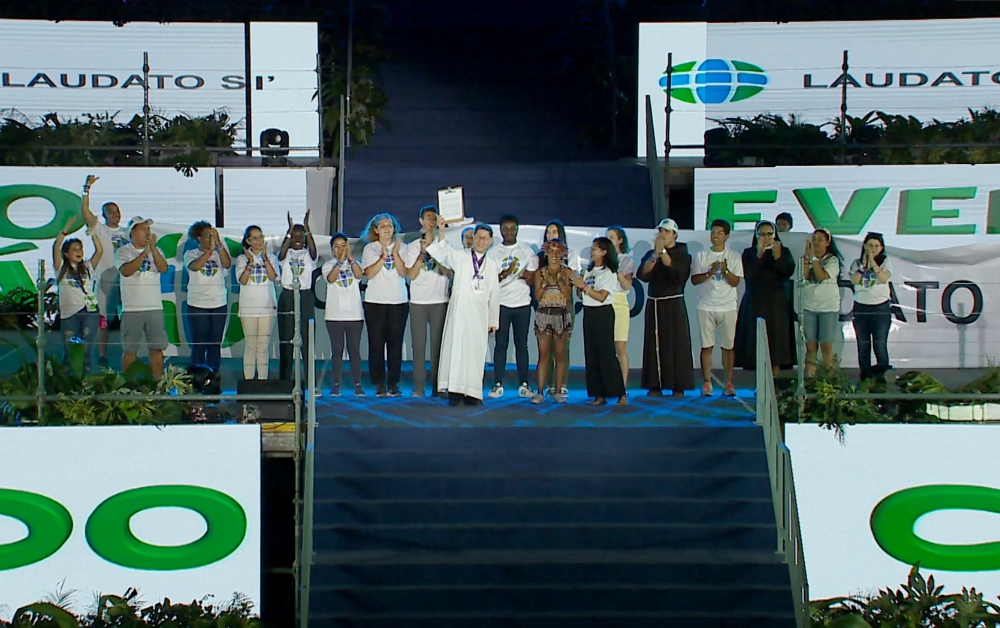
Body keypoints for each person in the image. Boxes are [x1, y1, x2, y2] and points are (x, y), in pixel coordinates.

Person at [427, 222, 500, 406]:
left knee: (475, 352)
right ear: (473, 239)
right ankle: (455, 391)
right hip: (459, 313)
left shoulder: (492, 265)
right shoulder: (460, 256)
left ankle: (473, 392)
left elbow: (494, 294)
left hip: (479, 314)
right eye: (478, 237)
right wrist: (442, 230)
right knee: (456, 350)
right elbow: (443, 253)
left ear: (491, 241)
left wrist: (493, 320)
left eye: (485, 238)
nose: (481, 241)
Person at [636, 218, 694, 397]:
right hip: (655, 303)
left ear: (674, 234)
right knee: (654, 344)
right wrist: (655, 254)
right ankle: (655, 384)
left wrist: (662, 252)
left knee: (677, 344)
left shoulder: (683, 253)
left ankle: (678, 385)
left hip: (674, 303)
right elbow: (643, 274)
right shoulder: (651, 253)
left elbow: (677, 273)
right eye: (661, 231)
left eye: (667, 231)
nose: (663, 234)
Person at [734, 221, 796, 375]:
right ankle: (760, 383)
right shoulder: (748, 253)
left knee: (777, 344)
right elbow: (749, 274)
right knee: (756, 342)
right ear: (756, 235)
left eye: (769, 234)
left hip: (777, 305)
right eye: (762, 234)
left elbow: (788, 271)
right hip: (755, 304)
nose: (766, 237)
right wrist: (759, 254)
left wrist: (777, 257)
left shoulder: (784, 251)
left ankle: (775, 382)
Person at [80, 175, 128, 369]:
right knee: (103, 320)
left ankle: (129, 353)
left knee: (128, 318)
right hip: (105, 282)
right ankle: (102, 355)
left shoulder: (128, 232)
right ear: (105, 215)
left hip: (125, 281)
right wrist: (86, 189)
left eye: (118, 212)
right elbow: (84, 212)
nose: (116, 215)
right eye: (112, 212)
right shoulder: (100, 230)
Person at [691, 219, 743, 397]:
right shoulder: (702, 256)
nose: (715, 236)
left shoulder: (734, 256)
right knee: (707, 346)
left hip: (727, 306)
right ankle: (707, 383)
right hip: (706, 305)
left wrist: (726, 271)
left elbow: (736, 282)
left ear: (727, 236)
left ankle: (728, 382)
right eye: (713, 232)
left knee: (728, 346)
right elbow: (694, 280)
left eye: (720, 233)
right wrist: (710, 272)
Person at [488, 214, 538, 399]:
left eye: (512, 228)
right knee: (500, 345)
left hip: (522, 303)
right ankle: (497, 384)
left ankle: (524, 384)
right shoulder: (493, 253)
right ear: (500, 230)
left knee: (521, 345)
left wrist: (526, 275)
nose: (509, 231)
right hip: (501, 304)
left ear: (517, 229)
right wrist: (507, 273)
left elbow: (532, 277)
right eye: (505, 228)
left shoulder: (526, 251)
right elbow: (491, 279)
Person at [572, 237, 627, 406]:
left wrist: (584, 287)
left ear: (604, 252)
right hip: (589, 313)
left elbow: (602, 296)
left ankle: (620, 393)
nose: (591, 251)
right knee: (592, 354)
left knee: (606, 354)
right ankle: (599, 394)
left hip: (603, 313)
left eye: (595, 249)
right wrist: (579, 287)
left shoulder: (608, 272)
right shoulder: (589, 271)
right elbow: (583, 294)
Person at [404, 206, 451, 398]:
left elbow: (447, 271)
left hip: (440, 300)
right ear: (421, 221)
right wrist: (423, 253)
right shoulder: (412, 246)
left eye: (434, 219)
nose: (431, 222)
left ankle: (438, 386)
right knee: (419, 346)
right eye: (428, 218)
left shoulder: (444, 244)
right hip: (418, 301)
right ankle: (419, 387)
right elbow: (412, 274)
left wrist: (435, 248)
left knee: (438, 346)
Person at [361, 213, 409, 397]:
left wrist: (395, 253)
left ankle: (393, 383)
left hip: (398, 301)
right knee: (376, 343)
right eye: (383, 226)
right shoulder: (369, 249)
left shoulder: (402, 247)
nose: (387, 229)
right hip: (375, 302)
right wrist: (383, 256)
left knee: (395, 344)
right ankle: (379, 382)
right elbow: (369, 273)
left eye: (390, 225)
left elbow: (403, 272)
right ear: (376, 230)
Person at [115, 217, 168, 378]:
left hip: (154, 307)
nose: (148, 233)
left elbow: (163, 268)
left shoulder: (156, 251)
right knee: (130, 349)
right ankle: (129, 385)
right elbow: (126, 271)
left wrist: (153, 249)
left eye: (149, 230)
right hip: (133, 308)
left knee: (157, 347)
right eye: (144, 229)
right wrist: (144, 254)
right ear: (133, 232)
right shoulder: (123, 251)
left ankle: (157, 383)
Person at [53, 224, 104, 374]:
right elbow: (56, 248)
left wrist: (93, 233)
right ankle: (67, 384)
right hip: (69, 314)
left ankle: (86, 382)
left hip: (89, 312)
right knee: (69, 350)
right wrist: (65, 229)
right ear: (67, 253)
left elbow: (100, 251)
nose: (79, 252)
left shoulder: (87, 267)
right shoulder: (61, 267)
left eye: (80, 248)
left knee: (87, 348)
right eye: (75, 249)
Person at [277, 210, 318, 384]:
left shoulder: (308, 255)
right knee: (286, 339)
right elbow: (280, 254)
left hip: (305, 296)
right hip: (287, 296)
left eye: (300, 236)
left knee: (307, 339)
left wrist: (306, 227)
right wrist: (290, 230)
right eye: (294, 236)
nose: (297, 239)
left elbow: (314, 251)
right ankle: (285, 381)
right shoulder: (285, 256)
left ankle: (310, 381)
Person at [184, 221, 231, 373]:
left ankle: (214, 377)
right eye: (207, 236)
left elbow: (227, 264)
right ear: (198, 238)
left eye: (212, 235)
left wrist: (218, 244)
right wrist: (209, 251)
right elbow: (195, 266)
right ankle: (197, 379)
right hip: (198, 304)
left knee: (215, 343)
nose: (210, 238)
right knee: (199, 343)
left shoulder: (218, 253)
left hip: (218, 303)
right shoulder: (190, 253)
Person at [531, 238, 573, 404]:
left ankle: (558, 391)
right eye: (551, 251)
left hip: (561, 314)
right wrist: (544, 284)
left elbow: (568, 296)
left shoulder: (568, 272)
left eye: (558, 252)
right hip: (544, 313)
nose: (554, 255)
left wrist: (560, 281)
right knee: (543, 355)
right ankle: (540, 392)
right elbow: (537, 296)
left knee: (560, 355)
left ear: (563, 253)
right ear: (546, 253)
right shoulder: (539, 273)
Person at [323, 233, 365, 396]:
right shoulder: (328, 265)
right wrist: (340, 262)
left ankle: (357, 384)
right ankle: (336, 384)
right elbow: (331, 279)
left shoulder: (356, 263)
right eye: (337, 246)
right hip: (334, 315)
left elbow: (359, 275)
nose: (340, 249)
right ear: (332, 250)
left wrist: (350, 259)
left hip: (355, 314)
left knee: (354, 350)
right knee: (337, 351)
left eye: (343, 245)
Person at [235, 225, 278, 380]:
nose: (259, 240)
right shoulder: (242, 259)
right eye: (254, 237)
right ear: (248, 241)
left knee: (262, 348)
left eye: (261, 236)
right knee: (251, 346)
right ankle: (248, 382)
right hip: (248, 308)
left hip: (267, 308)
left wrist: (265, 258)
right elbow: (243, 280)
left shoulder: (271, 257)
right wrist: (250, 262)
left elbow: (273, 277)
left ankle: (262, 381)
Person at [801, 228, 843, 377]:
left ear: (827, 242)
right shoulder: (806, 258)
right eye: (814, 239)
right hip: (809, 307)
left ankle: (829, 381)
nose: (816, 242)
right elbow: (804, 277)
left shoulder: (832, 260)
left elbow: (821, 276)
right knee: (810, 346)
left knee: (826, 346)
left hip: (828, 308)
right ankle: (809, 379)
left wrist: (813, 259)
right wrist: (807, 259)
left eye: (820, 239)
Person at [850, 232, 893, 380]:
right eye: (870, 245)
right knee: (863, 346)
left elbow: (883, 278)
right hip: (861, 308)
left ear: (881, 248)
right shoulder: (856, 263)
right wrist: (864, 264)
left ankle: (884, 378)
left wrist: (873, 262)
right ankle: (866, 379)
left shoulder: (885, 261)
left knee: (880, 345)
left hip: (880, 309)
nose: (873, 248)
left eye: (876, 246)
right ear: (864, 245)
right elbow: (855, 280)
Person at [606, 226, 634, 389]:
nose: (609, 241)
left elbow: (627, 285)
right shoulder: (601, 260)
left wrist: (616, 269)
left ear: (620, 240)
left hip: (619, 302)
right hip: (603, 302)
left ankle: (622, 387)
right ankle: (607, 385)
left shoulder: (626, 260)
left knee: (620, 347)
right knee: (605, 347)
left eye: (612, 237)